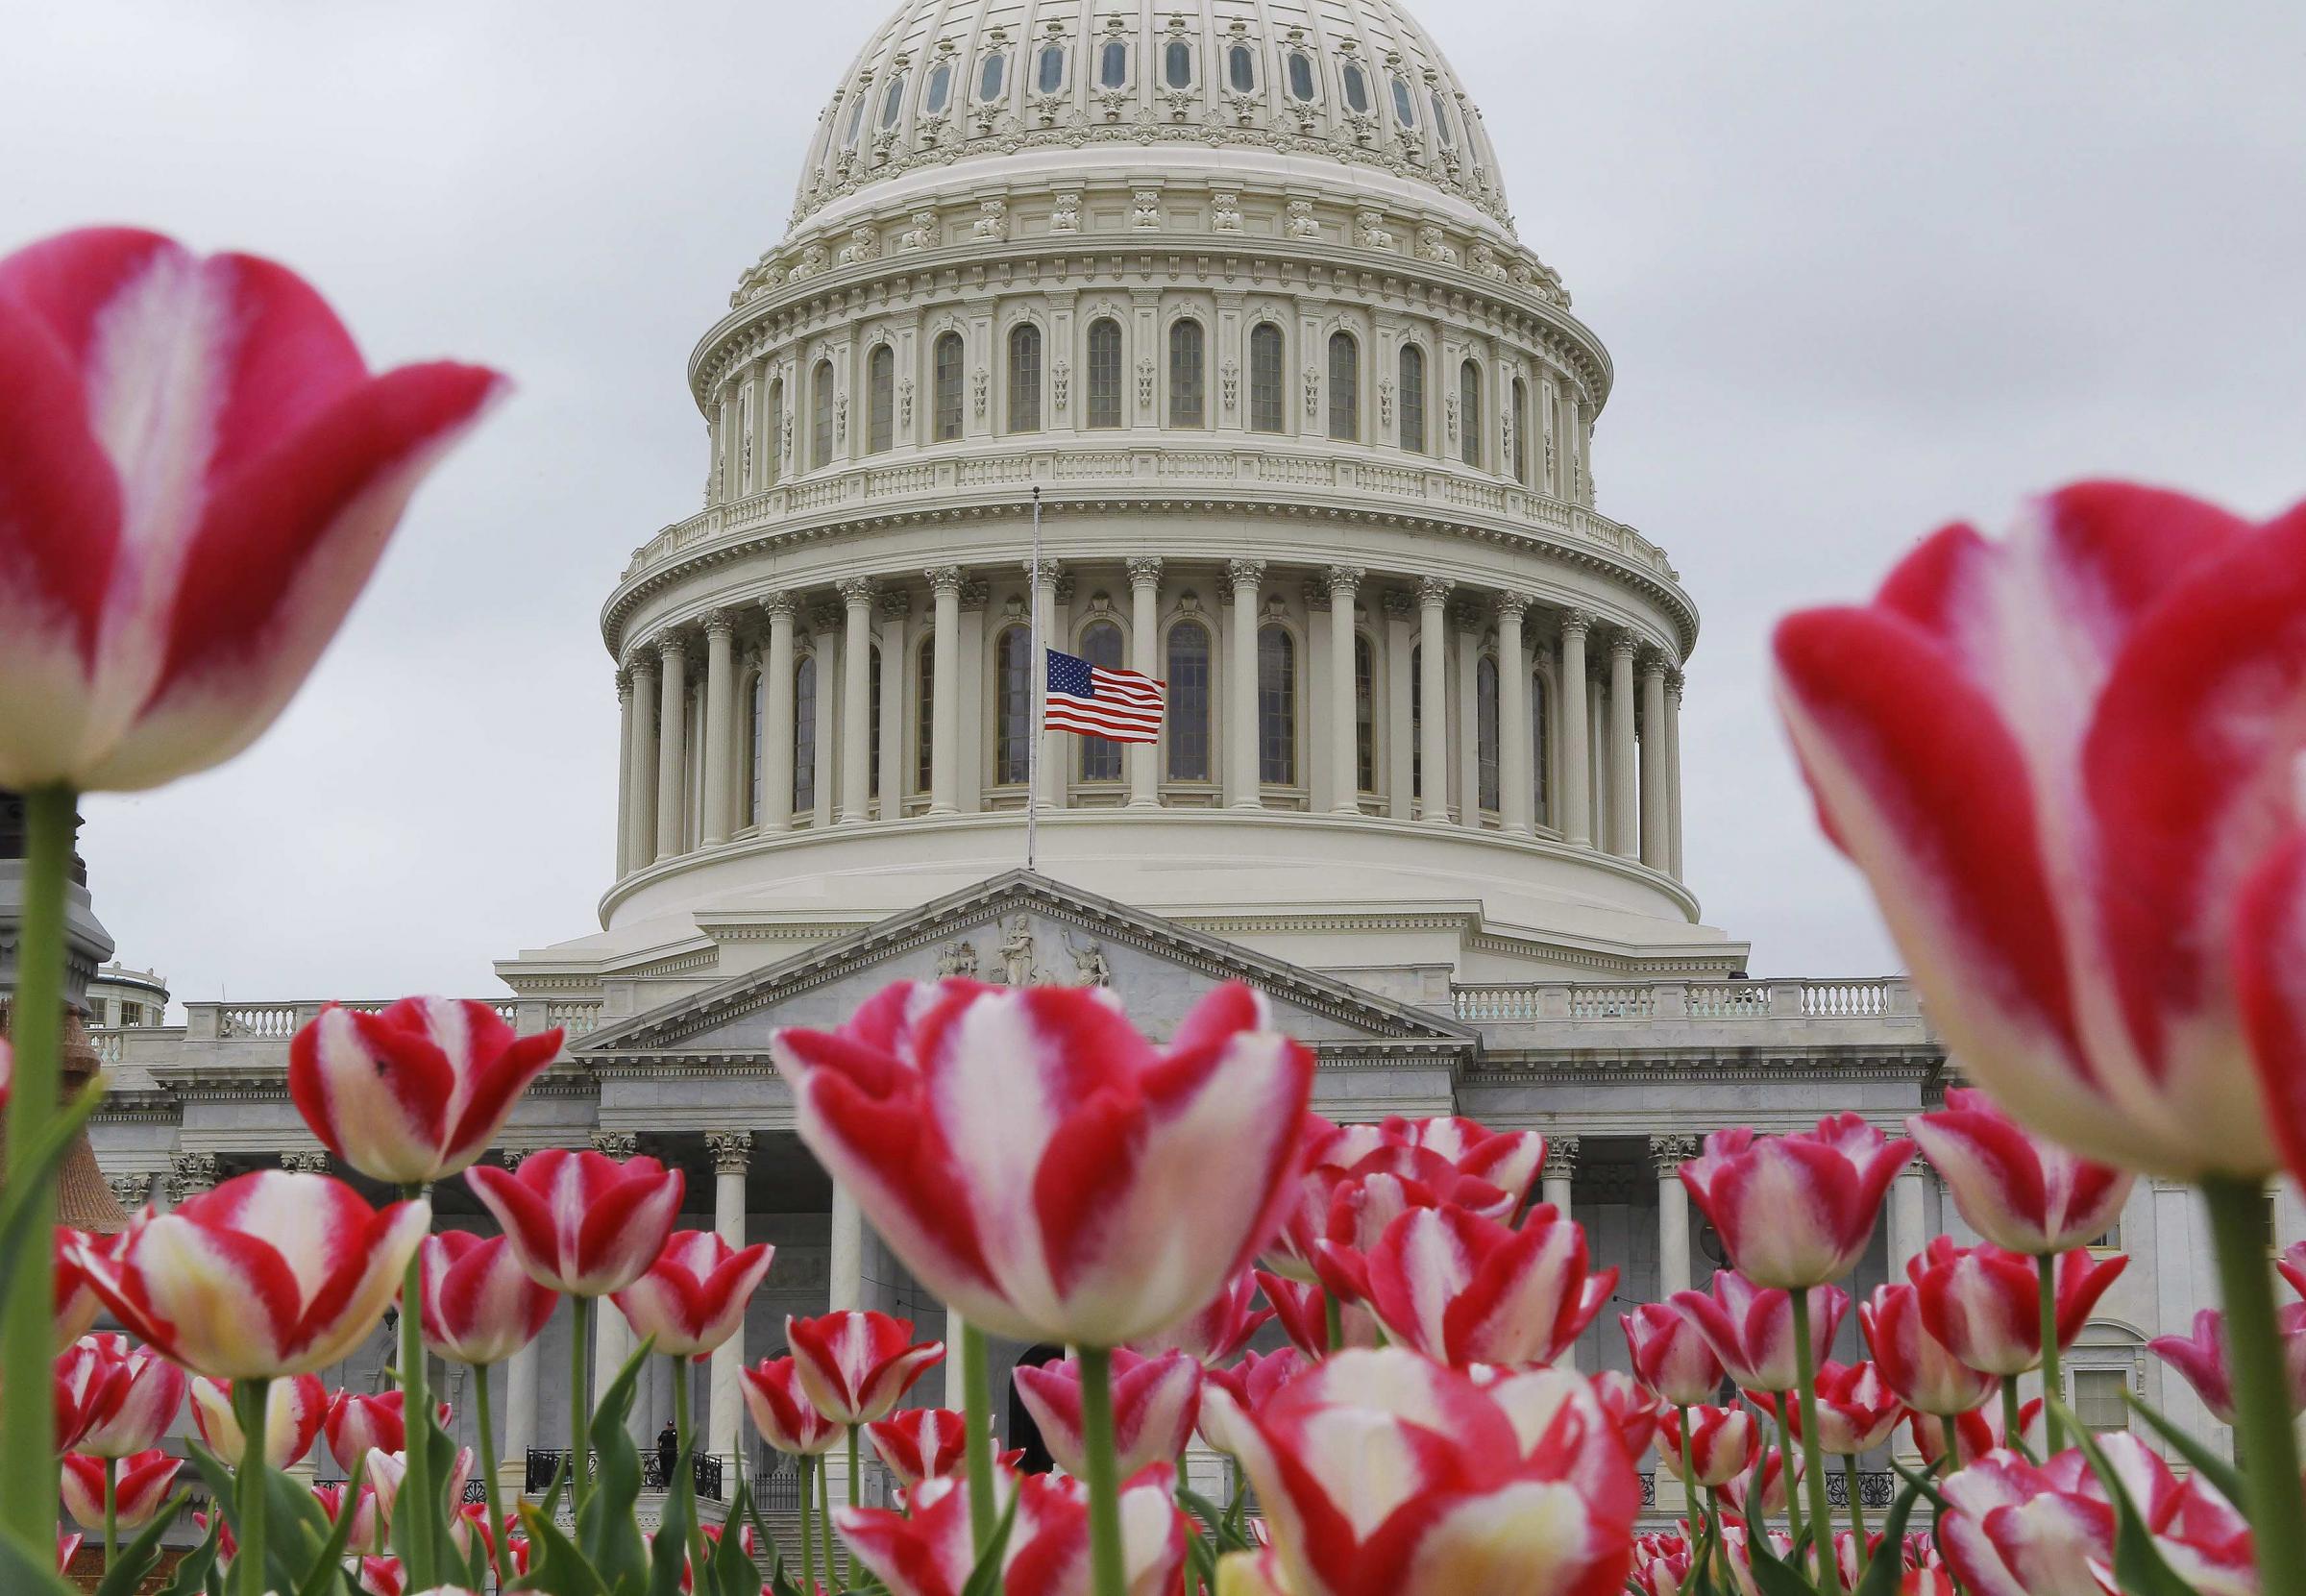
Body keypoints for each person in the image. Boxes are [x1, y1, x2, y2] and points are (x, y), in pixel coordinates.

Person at [656, 1420, 678, 1489]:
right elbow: (658, 1440)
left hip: (671, 1454)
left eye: (671, 1426)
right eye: (669, 1425)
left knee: (670, 1468)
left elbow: (677, 1440)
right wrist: (659, 1449)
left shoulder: (674, 1432)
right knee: (663, 1468)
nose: (670, 1427)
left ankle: (670, 1482)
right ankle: (664, 1481)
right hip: (663, 1454)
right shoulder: (664, 1433)